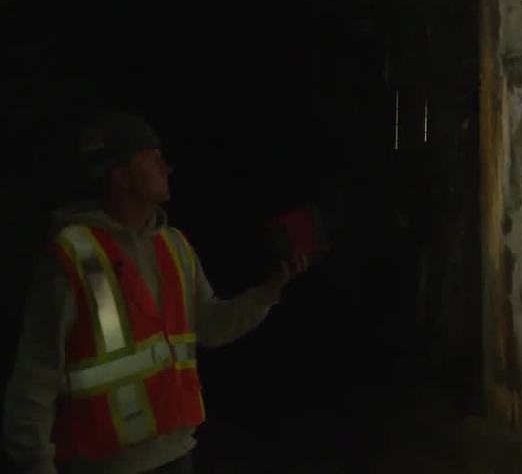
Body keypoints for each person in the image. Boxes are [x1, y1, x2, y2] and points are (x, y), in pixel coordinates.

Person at [2, 111, 310, 474]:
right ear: (120, 175)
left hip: (177, 455)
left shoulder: (174, 245)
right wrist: (37, 465)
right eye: (153, 159)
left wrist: (269, 291)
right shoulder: (72, 254)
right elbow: (36, 377)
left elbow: (210, 326)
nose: (167, 167)